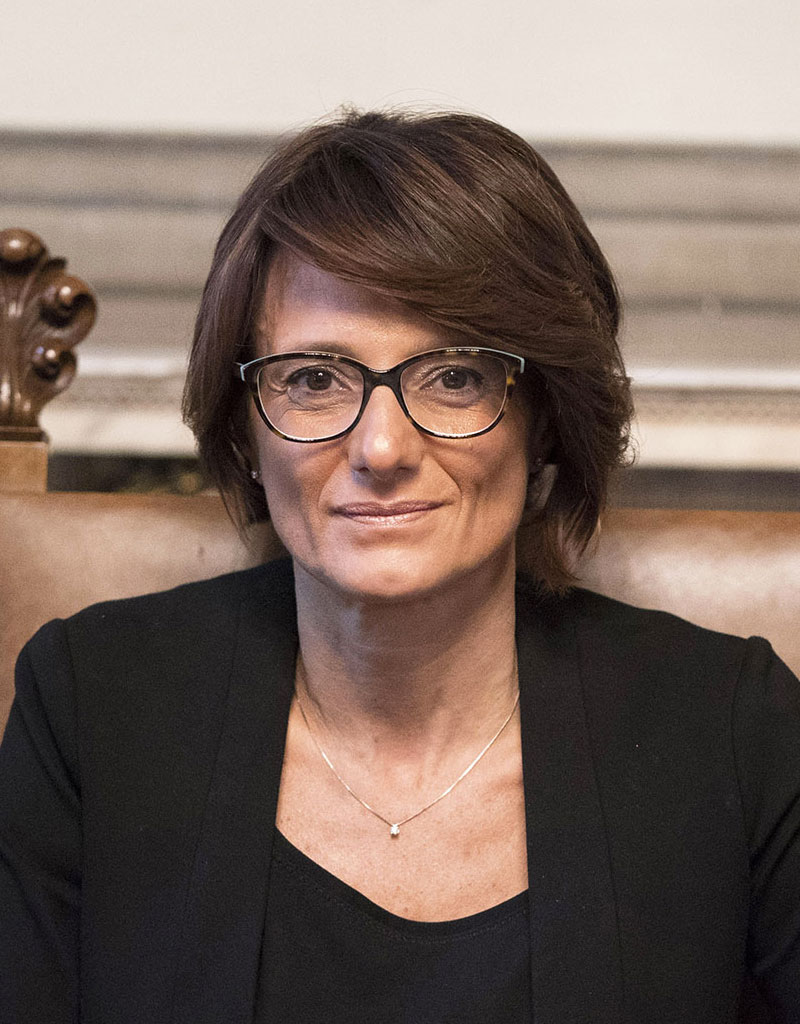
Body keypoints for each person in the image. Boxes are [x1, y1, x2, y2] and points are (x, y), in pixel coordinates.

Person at [1, 109, 798, 1024]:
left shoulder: (731, 730)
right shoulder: (93, 707)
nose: (381, 447)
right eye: (313, 378)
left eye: (454, 376)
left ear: (544, 416)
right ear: (245, 427)